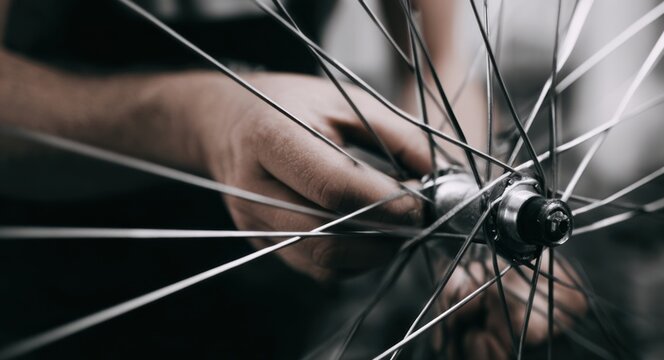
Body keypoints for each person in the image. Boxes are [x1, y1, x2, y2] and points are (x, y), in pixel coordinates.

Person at [0, 1, 584, 358]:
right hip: (52, 285)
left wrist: (470, 237)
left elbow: (439, 68)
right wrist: (204, 122)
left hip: (289, 285)